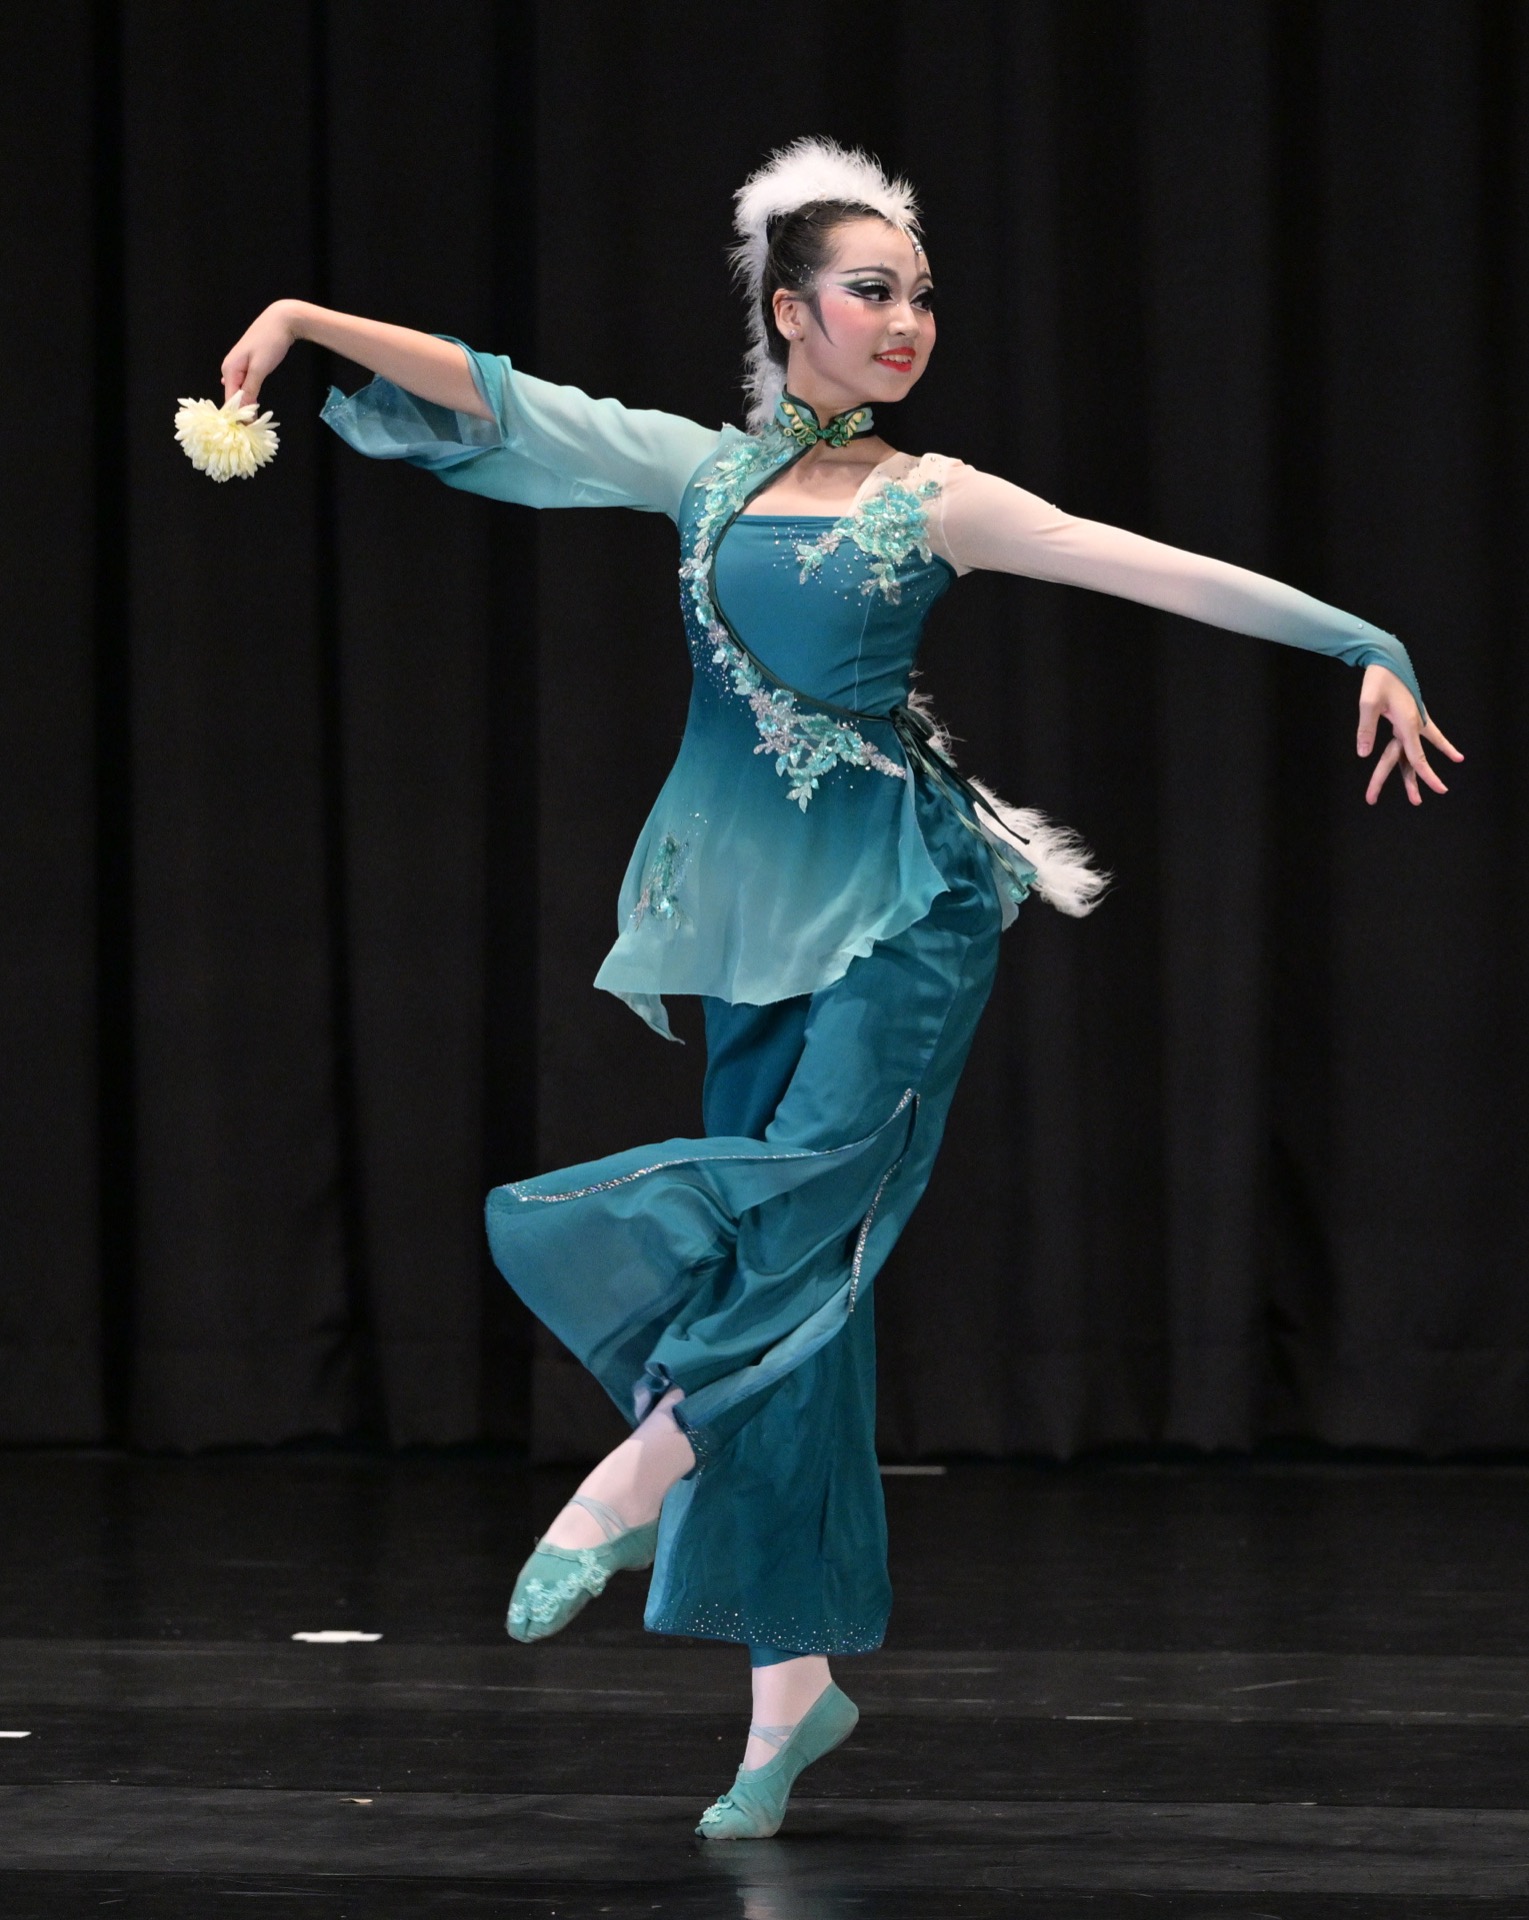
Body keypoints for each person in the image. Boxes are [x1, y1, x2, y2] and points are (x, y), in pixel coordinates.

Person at [219, 136, 1460, 1840]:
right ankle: (789, 1692)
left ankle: (632, 1476)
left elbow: (1144, 561)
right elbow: (504, 397)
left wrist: (1360, 640)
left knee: (804, 1203)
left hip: (906, 910)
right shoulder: (702, 474)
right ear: (788, 311)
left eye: (921, 295)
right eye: (872, 292)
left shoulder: (934, 498)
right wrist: (304, 318)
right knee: (791, 1284)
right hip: (753, 936)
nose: (906, 321)